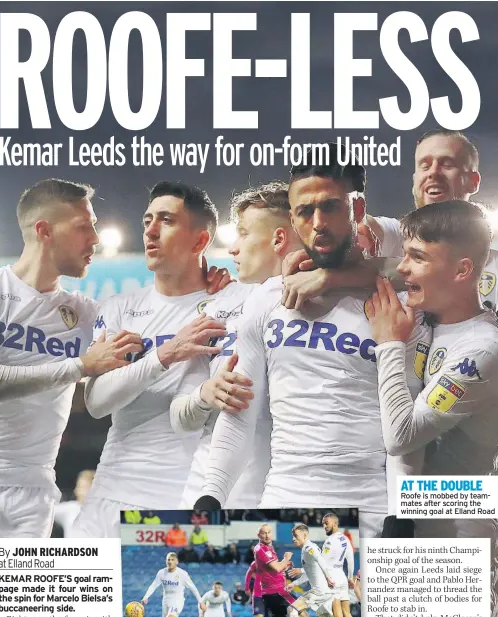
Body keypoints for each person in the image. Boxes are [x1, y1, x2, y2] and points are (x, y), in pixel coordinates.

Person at [198, 148, 431, 536]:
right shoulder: (267, 298)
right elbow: (240, 413)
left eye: (331, 207)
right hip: (281, 501)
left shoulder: (399, 304)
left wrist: (399, 515)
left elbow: (406, 427)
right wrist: (209, 497)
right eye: (305, 211)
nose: (318, 222)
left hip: (369, 509)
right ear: (292, 219)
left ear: (358, 211)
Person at [0, 178, 143, 604]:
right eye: (83, 226)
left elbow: (161, 313)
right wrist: (79, 366)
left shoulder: (87, 313)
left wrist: (214, 287)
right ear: (43, 230)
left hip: (33, 491)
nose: (93, 238)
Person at [71, 181, 230, 537]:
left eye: (167, 220)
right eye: (147, 221)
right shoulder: (120, 308)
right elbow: (96, 402)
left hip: (183, 499)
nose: (151, 231)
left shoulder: (230, 304)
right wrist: (164, 354)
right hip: (110, 493)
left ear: (200, 241)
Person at [367, 200, 498, 544]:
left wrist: (390, 346)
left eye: (418, 257)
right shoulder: (426, 313)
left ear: (461, 271)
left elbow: (402, 437)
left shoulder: (482, 350)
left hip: (455, 541)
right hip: (406, 526)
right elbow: (371, 270)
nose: (403, 269)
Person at [173, 182, 301, 507]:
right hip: (202, 498)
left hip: (278, 502)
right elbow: (178, 417)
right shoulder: (217, 308)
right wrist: (205, 395)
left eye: (243, 233)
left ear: (279, 239)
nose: (233, 248)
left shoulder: (325, 309)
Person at [367, 130, 497, 311]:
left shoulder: (494, 256)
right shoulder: (395, 233)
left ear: (473, 181)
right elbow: (356, 225)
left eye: (447, 164)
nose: (434, 173)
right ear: (415, 181)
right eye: (425, 166)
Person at [246, 524, 326, 617]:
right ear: (258, 535)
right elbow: (277, 568)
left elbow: (273, 569)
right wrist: (286, 559)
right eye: (263, 533)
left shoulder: (266, 548)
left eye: (269, 532)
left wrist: (285, 565)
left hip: (271, 591)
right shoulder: (262, 549)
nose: (267, 535)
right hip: (277, 591)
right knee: (302, 613)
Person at [285, 524, 354, 617]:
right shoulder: (306, 548)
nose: (293, 539)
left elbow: (322, 561)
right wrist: (294, 583)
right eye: (293, 536)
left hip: (320, 591)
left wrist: (328, 577)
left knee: (292, 609)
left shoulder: (309, 547)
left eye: (296, 536)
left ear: (305, 535)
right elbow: (311, 572)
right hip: (327, 592)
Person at [141, 551, 206, 617]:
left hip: (178, 600)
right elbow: (154, 585)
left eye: (172, 560)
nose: (170, 561)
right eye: (168, 560)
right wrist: (146, 597)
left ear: (177, 562)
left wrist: (201, 602)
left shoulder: (182, 574)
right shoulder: (161, 573)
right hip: (166, 601)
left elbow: (193, 588)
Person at [321, 512, 361, 617]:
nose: (324, 526)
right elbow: (350, 560)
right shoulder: (345, 539)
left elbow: (323, 563)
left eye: (327, 523)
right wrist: (350, 578)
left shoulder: (330, 541)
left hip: (332, 580)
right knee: (347, 614)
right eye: (323, 524)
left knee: (337, 615)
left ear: (335, 523)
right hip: (343, 578)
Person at [53, 469, 95, 538]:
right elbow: (44, 510)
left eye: (82, 487)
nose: (77, 491)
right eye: (78, 487)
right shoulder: (70, 509)